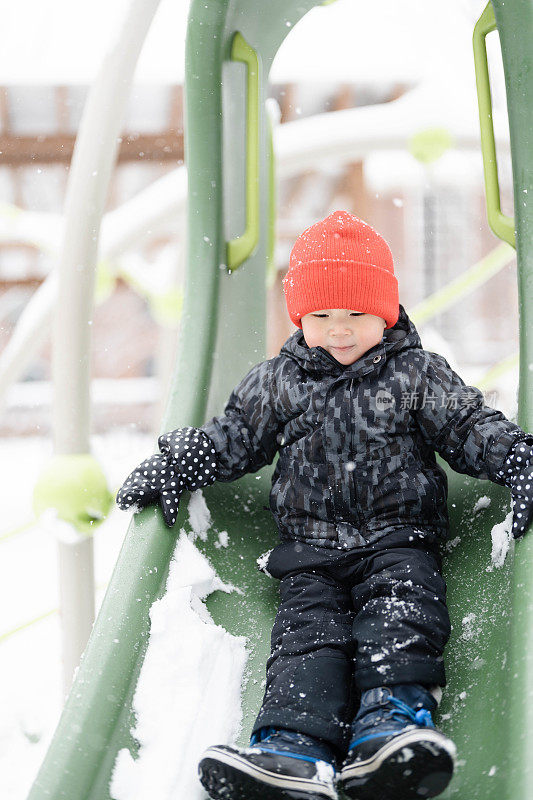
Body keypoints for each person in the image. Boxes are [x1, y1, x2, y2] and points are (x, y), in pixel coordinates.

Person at [117, 210, 533, 800]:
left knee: (401, 622)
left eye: (356, 316)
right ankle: (293, 751)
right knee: (306, 642)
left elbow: (467, 425)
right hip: (309, 551)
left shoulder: (416, 374)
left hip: (399, 540)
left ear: (384, 314)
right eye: (321, 317)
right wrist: (179, 463)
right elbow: (233, 436)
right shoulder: (278, 382)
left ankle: (390, 730)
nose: (339, 331)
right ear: (299, 317)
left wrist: (515, 455)